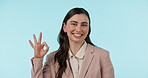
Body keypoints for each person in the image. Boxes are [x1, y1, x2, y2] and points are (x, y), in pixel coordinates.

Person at [29, 7, 114, 78]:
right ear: (65, 27)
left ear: (88, 29)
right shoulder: (52, 59)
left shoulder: (102, 55)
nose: (78, 29)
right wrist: (38, 58)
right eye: (74, 24)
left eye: (84, 25)